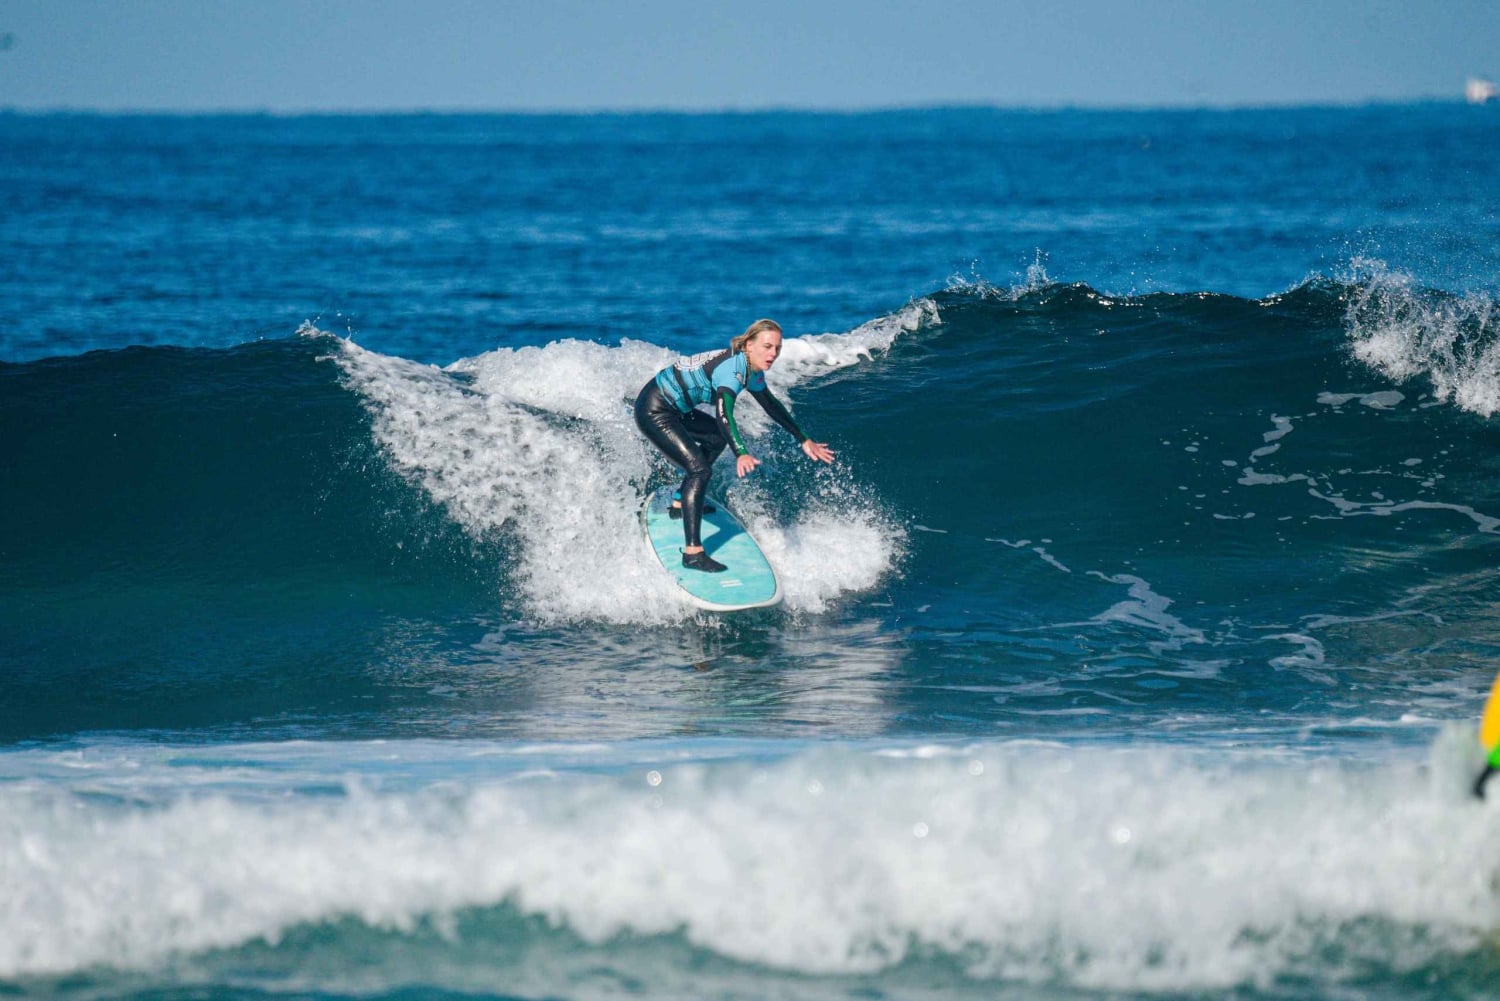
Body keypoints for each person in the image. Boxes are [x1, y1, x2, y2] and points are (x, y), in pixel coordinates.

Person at [634, 319, 836, 572]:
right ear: (749, 345)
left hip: (675, 409)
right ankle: (693, 554)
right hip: (655, 410)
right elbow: (724, 415)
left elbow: (770, 405)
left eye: (777, 348)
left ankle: (680, 503)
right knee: (700, 470)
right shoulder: (732, 371)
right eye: (767, 346)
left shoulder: (752, 369)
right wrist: (741, 452)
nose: (773, 354)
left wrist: (803, 438)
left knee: (716, 438)